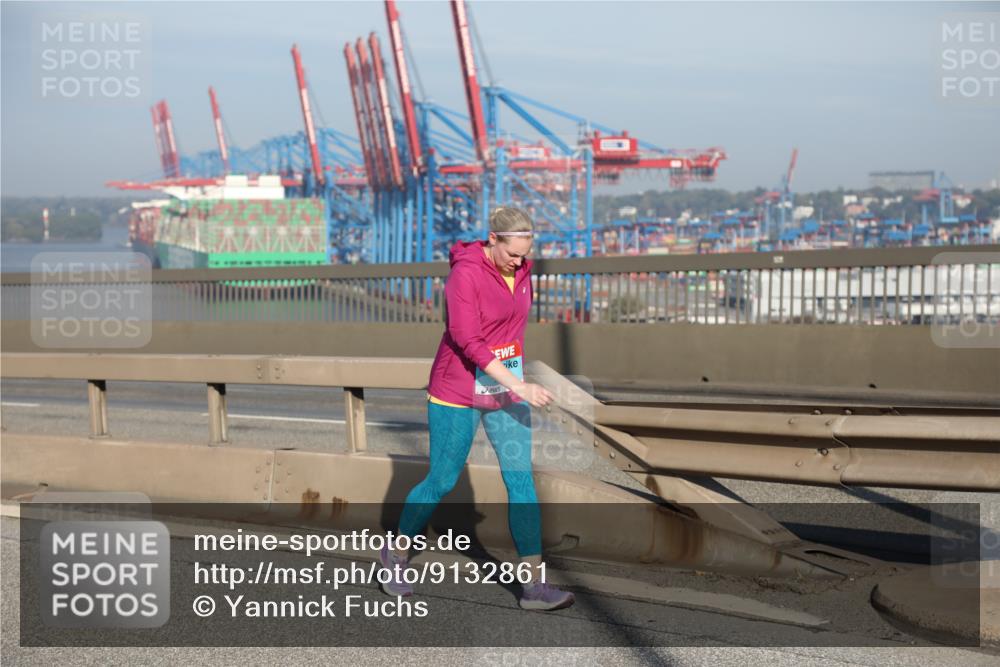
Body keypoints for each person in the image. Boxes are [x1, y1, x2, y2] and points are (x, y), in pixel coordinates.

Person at [379, 206, 575, 611]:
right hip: (458, 390)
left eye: (526, 253)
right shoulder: (464, 274)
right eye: (513, 253)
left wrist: (514, 382)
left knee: (521, 482)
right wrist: (519, 384)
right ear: (493, 239)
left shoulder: (521, 272)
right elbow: (468, 341)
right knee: (442, 480)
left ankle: (534, 587)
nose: (521, 262)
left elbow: (510, 332)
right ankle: (395, 555)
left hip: (504, 388)